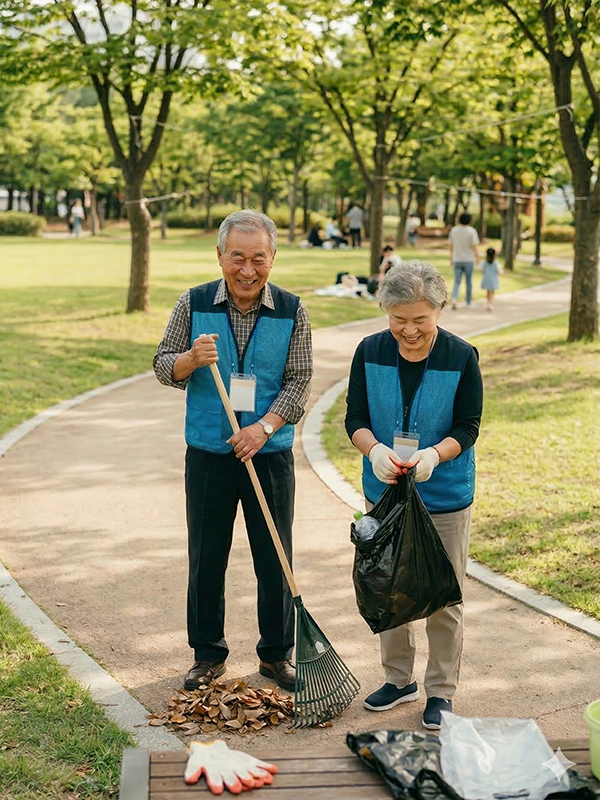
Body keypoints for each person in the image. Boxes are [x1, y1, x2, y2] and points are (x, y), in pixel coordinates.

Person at [153, 210, 313, 692]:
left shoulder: (292, 309)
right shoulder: (194, 303)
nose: (247, 270)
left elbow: (300, 380)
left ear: (273, 258)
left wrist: (263, 428)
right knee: (207, 556)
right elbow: (163, 365)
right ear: (220, 255)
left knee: (274, 555)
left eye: (258, 258)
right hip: (208, 453)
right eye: (237, 258)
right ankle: (207, 653)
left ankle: (276, 654)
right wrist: (189, 360)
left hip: (268, 454)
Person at [344, 260, 483, 730]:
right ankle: (398, 678)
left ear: (439, 310)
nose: (409, 331)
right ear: (386, 312)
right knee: (389, 585)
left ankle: (440, 691)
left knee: (445, 596)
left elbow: (468, 426)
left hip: (443, 495)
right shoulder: (368, 351)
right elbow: (354, 419)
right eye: (398, 319)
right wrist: (375, 449)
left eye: (420, 319)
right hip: (383, 493)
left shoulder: (461, 356)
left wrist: (433, 457)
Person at [449, 212, 480, 309]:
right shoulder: (471, 231)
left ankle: (454, 299)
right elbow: (474, 247)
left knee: (457, 281)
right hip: (468, 260)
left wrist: (451, 258)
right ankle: (468, 301)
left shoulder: (454, 230)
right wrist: (478, 259)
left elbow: (451, 246)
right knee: (468, 281)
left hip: (457, 259)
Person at [480, 247, 503, 312]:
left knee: (488, 292)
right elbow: (499, 271)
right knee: (492, 292)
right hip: (493, 280)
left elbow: (481, 269)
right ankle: (491, 304)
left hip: (486, 279)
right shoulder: (496, 263)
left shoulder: (484, 262)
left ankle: (488, 303)